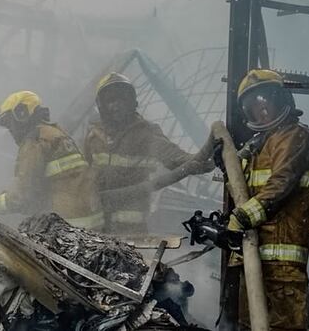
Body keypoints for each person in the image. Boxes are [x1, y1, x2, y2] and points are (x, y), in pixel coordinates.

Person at [226, 69, 309, 331]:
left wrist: (242, 218)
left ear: (283, 99)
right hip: (254, 260)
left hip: (281, 267)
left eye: (267, 100)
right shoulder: (260, 146)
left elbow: (281, 184)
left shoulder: (295, 137)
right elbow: (240, 191)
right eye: (253, 106)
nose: (262, 110)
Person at [84, 72, 213, 235]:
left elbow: (175, 157)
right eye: (110, 100)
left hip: (131, 231)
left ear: (132, 102)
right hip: (97, 229)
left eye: (122, 99)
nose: (116, 105)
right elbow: (85, 178)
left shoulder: (145, 134)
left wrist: (199, 162)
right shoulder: (94, 136)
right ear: (101, 106)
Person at [0, 91, 103, 230]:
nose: (11, 131)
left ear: (22, 114)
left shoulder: (35, 141)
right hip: (92, 222)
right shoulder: (55, 133)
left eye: (10, 123)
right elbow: (43, 187)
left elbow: (21, 197)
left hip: (70, 226)